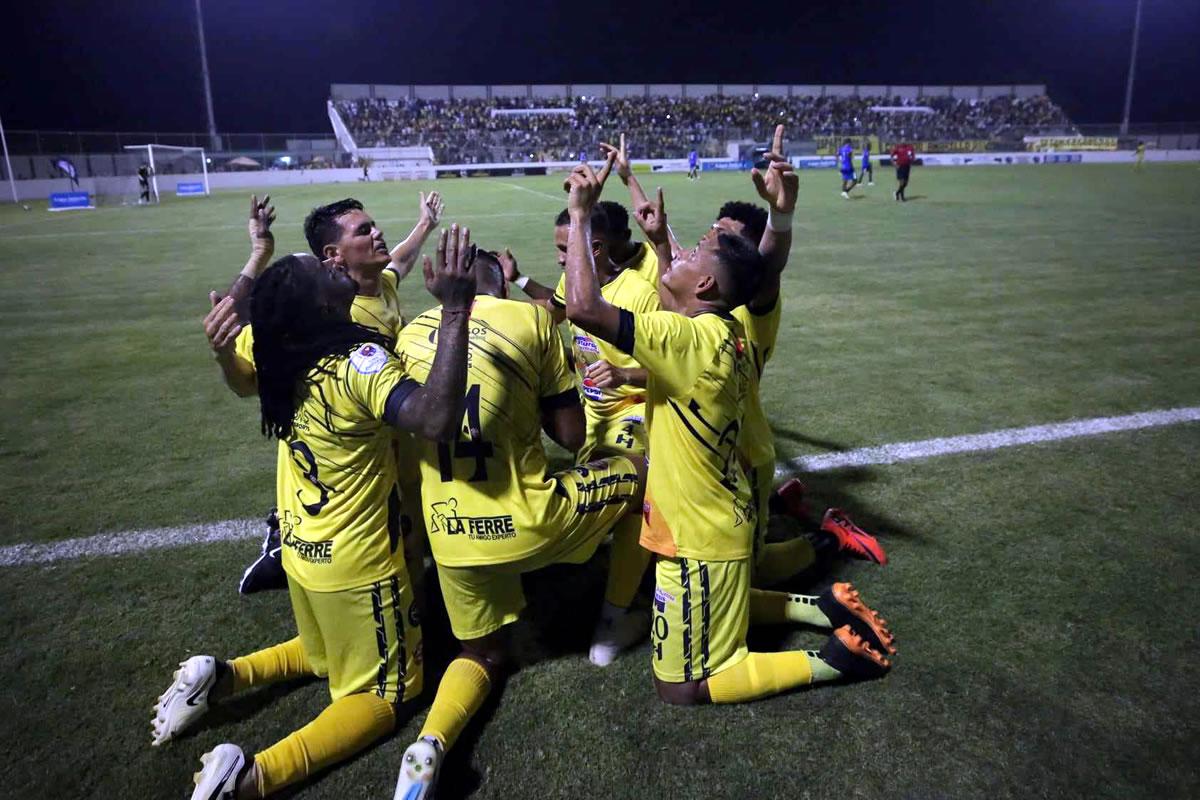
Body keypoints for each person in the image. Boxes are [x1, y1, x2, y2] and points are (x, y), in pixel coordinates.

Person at [153, 228, 477, 800]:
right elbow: (434, 419)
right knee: (387, 695)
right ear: (323, 304)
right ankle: (252, 777)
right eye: (324, 273)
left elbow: (240, 381)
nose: (336, 270)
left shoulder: (277, 347)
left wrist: (225, 351)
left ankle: (223, 677)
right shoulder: (358, 362)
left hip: (303, 549)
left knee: (328, 654)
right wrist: (455, 309)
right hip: (359, 564)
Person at [561, 155, 896, 707]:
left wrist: (580, 215)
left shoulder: (692, 339)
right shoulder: (720, 334)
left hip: (702, 532)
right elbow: (679, 305)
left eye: (699, 249)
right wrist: (662, 246)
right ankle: (821, 606)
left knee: (681, 686)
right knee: (724, 595)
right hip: (712, 512)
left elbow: (583, 307)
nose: (689, 247)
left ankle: (836, 659)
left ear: (711, 281)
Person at [390, 249, 650, 797]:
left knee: (482, 654)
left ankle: (431, 743)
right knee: (648, 475)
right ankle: (614, 621)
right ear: (502, 283)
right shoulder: (529, 318)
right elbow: (573, 435)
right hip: (531, 521)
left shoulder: (409, 334)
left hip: (450, 536)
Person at [203, 192, 445, 594]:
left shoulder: (380, 284)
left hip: (392, 445)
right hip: (346, 470)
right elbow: (247, 365)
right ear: (334, 254)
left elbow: (400, 259)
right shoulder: (322, 316)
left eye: (374, 225)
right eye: (364, 230)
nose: (378, 233)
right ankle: (283, 537)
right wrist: (259, 254)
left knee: (412, 550)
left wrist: (425, 224)